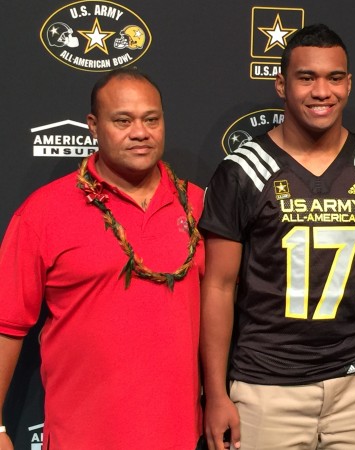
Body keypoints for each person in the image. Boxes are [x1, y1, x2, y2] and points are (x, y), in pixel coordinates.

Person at [199, 24, 355, 450]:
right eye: (306, 77)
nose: (322, 91)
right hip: (267, 386)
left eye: (334, 77)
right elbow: (219, 286)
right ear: (281, 84)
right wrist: (216, 393)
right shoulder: (243, 170)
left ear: (348, 84)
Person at [0, 68, 204, 450]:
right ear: (93, 126)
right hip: (81, 439)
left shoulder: (197, 205)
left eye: (151, 119)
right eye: (122, 120)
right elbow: (5, 325)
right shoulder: (43, 212)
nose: (140, 132)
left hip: (179, 437)